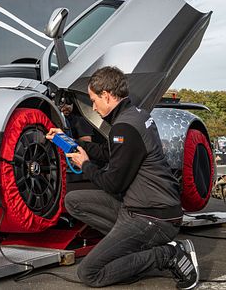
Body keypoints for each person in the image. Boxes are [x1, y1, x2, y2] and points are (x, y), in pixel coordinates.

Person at [46, 66, 198, 289]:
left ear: (106, 95)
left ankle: (168, 254)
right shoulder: (136, 116)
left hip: (153, 218)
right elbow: (109, 153)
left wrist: (85, 165)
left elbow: (112, 184)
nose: (93, 105)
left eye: (93, 99)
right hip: (141, 207)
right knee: (74, 201)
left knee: (90, 273)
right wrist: (69, 141)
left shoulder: (124, 127)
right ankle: (134, 249)